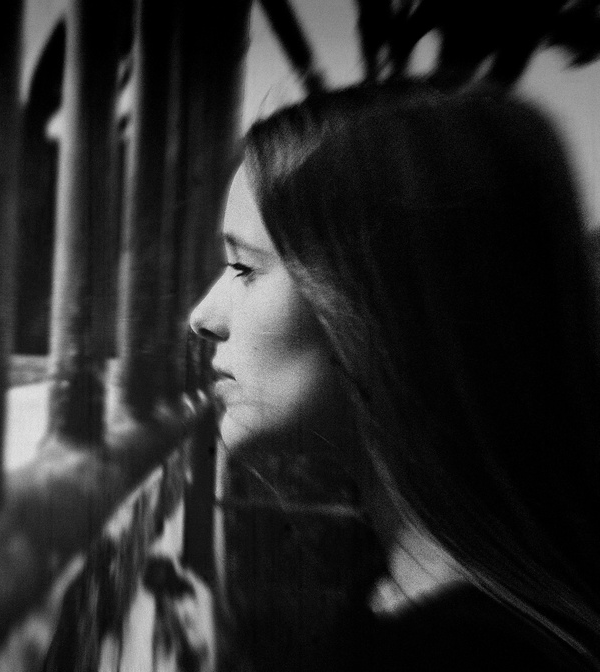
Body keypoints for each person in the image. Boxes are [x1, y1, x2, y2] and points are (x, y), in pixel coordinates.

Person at [189, 81, 600, 670]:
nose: (202, 317)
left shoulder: (461, 656)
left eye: (244, 267)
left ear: (383, 306)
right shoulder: (421, 593)